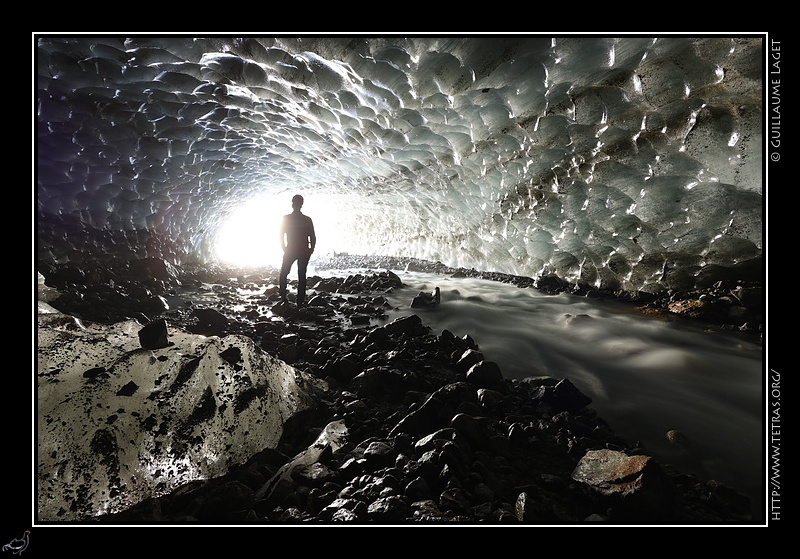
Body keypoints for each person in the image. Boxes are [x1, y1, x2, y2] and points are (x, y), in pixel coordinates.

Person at [278, 194, 316, 306]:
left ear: (292, 204)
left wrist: (284, 247)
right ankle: (299, 301)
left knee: (284, 272)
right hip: (302, 250)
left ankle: (284, 297)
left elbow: (280, 234)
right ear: (302, 205)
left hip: (291, 250)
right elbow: (312, 236)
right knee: (301, 274)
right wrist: (311, 249)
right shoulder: (306, 219)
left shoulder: (286, 218)